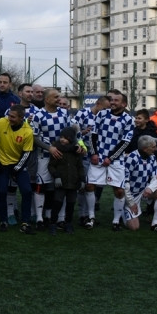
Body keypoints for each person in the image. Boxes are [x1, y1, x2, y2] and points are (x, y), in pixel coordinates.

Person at [87, 89, 134, 231]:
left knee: (119, 191)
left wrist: (111, 157)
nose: (112, 102)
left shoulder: (128, 120)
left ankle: (116, 220)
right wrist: (94, 153)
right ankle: (91, 217)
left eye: (116, 100)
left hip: (116, 160)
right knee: (90, 186)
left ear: (124, 104)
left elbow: (125, 142)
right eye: (111, 100)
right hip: (98, 157)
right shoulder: (102, 114)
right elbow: (93, 135)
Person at [30, 88, 72, 229]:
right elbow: (34, 138)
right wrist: (50, 148)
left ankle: (59, 218)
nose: (59, 99)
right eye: (55, 97)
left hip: (62, 157)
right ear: (46, 99)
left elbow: (70, 134)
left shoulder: (65, 113)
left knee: (62, 187)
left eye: (59, 97)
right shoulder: (38, 115)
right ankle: (40, 219)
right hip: (45, 156)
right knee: (41, 187)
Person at [0, 105, 35, 233]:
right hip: (2, 163)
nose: (9, 118)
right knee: (2, 192)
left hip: (18, 164)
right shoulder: (1, 122)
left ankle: (25, 222)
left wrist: (17, 169)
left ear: (21, 118)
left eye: (13, 117)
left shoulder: (28, 131)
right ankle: (3, 220)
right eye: (9, 115)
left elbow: (26, 153)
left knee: (26, 191)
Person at [71, 94, 109, 228]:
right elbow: (72, 131)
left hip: (98, 156)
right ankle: (83, 215)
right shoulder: (83, 113)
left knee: (92, 186)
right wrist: (83, 132)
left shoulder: (106, 117)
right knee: (84, 186)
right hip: (84, 156)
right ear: (98, 104)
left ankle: (89, 215)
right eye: (104, 108)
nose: (106, 111)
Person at [123, 135, 157, 232]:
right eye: (153, 147)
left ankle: (155, 224)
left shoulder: (152, 157)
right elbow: (124, 183)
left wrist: (150, 189)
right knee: (134, 227)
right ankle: (122, 212)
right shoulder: (132, 158)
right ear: (144, 149)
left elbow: (155, 177)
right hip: (131, 195)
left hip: (143, 191)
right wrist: (131, 203)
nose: (156, 149)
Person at [48, 126, 84, 234]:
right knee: (57, 203)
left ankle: (68, 224)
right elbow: (51, 166)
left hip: (73, 183)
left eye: (66, 137)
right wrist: (56, 176)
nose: (63, 139)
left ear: (71, 139)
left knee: (71, 205)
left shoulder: (76, 151)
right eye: (61, 137)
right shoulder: (57, 150)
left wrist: (82, 179)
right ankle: (53, 224)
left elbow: (80, 167)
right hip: (61, 183)